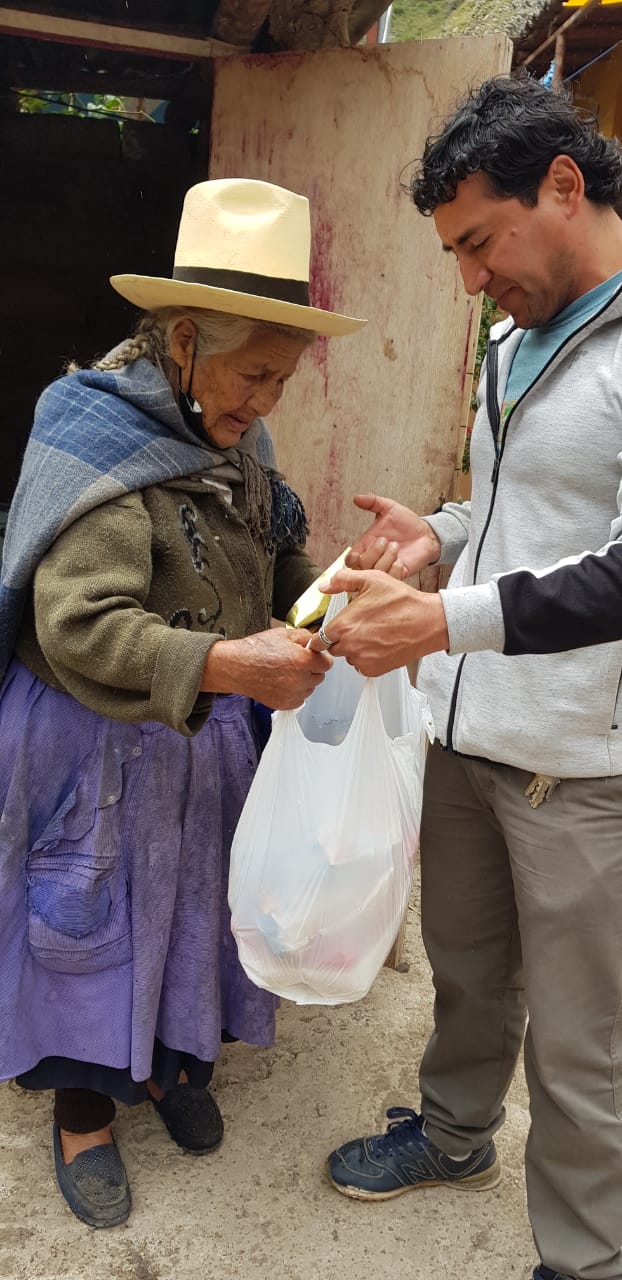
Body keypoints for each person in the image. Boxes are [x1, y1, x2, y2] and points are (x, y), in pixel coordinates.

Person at [0, 177, 402, 1229]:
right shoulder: (91, 429)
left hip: (206, 736)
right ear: (185, 341)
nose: (264, 403)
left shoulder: (236, 436)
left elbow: (269, 561)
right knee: (85, 915)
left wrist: (336, 583)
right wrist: (228, 665)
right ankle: (85, 1108)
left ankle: (178, 1064)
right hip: (97, 739)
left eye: (281, 379)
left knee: (197, 906)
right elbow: (75, 623)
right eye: (253, 374)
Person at [315, 78, 622, 1280]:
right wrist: (442, 528)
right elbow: (523, 511)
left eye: (477, 242)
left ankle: (585, 1255)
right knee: (467, 968)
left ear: (561, 186)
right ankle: (452, 1136)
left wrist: (443, 618)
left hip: (579, 758)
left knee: (583, 1043)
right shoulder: (512, 336)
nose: (466, 276)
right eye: (451, 251)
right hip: (470, 728)